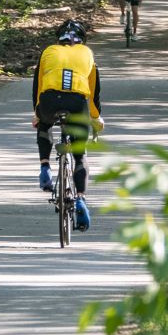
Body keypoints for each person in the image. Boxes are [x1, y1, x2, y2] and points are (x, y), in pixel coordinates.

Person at [31, 19, 104, 231]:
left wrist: (37, 113)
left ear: (59, 38)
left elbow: (38, 87)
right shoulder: (88, 54)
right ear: (82, 39)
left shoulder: (48, 52)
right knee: (80, 154)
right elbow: (93, 95)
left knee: (44, 125)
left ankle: (45, 167)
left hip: (49, 100)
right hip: (77, 102)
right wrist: (96, 118)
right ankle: (80, 198)